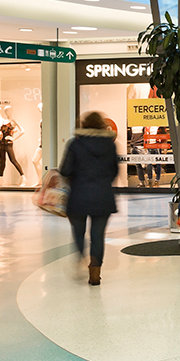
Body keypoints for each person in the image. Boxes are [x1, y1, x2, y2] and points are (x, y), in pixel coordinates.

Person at [60, 111, 119, 285]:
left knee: (78, 232)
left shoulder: (74, 145)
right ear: (102, 125)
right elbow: (114, 171)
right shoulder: (110, 145)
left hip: (78, 196)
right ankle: (95, 273)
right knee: (98, 235)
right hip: (103, 197)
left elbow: (65, 170)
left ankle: (81, 258)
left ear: (83, 125)